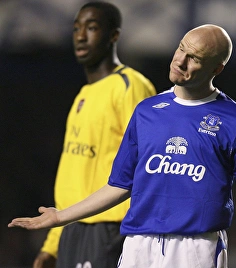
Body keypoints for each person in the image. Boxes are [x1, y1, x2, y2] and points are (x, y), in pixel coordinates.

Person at [8, 24, 236, 268]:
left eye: (194, 58)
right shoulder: (146, 111)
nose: (180, 61)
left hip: (195, 248)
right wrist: (60, 217)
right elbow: (120, 185)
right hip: (137, 245)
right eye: (181, 49)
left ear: (216, 68)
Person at [26, 1, 156, 268]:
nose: (81, 36)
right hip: (72, 229)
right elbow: (74, 178)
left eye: (92, 27)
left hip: (110, 228)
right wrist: (53, 243)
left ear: (114, 35)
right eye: (76, 29)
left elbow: (150, 165)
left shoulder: (131, 87)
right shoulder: (83, 95)